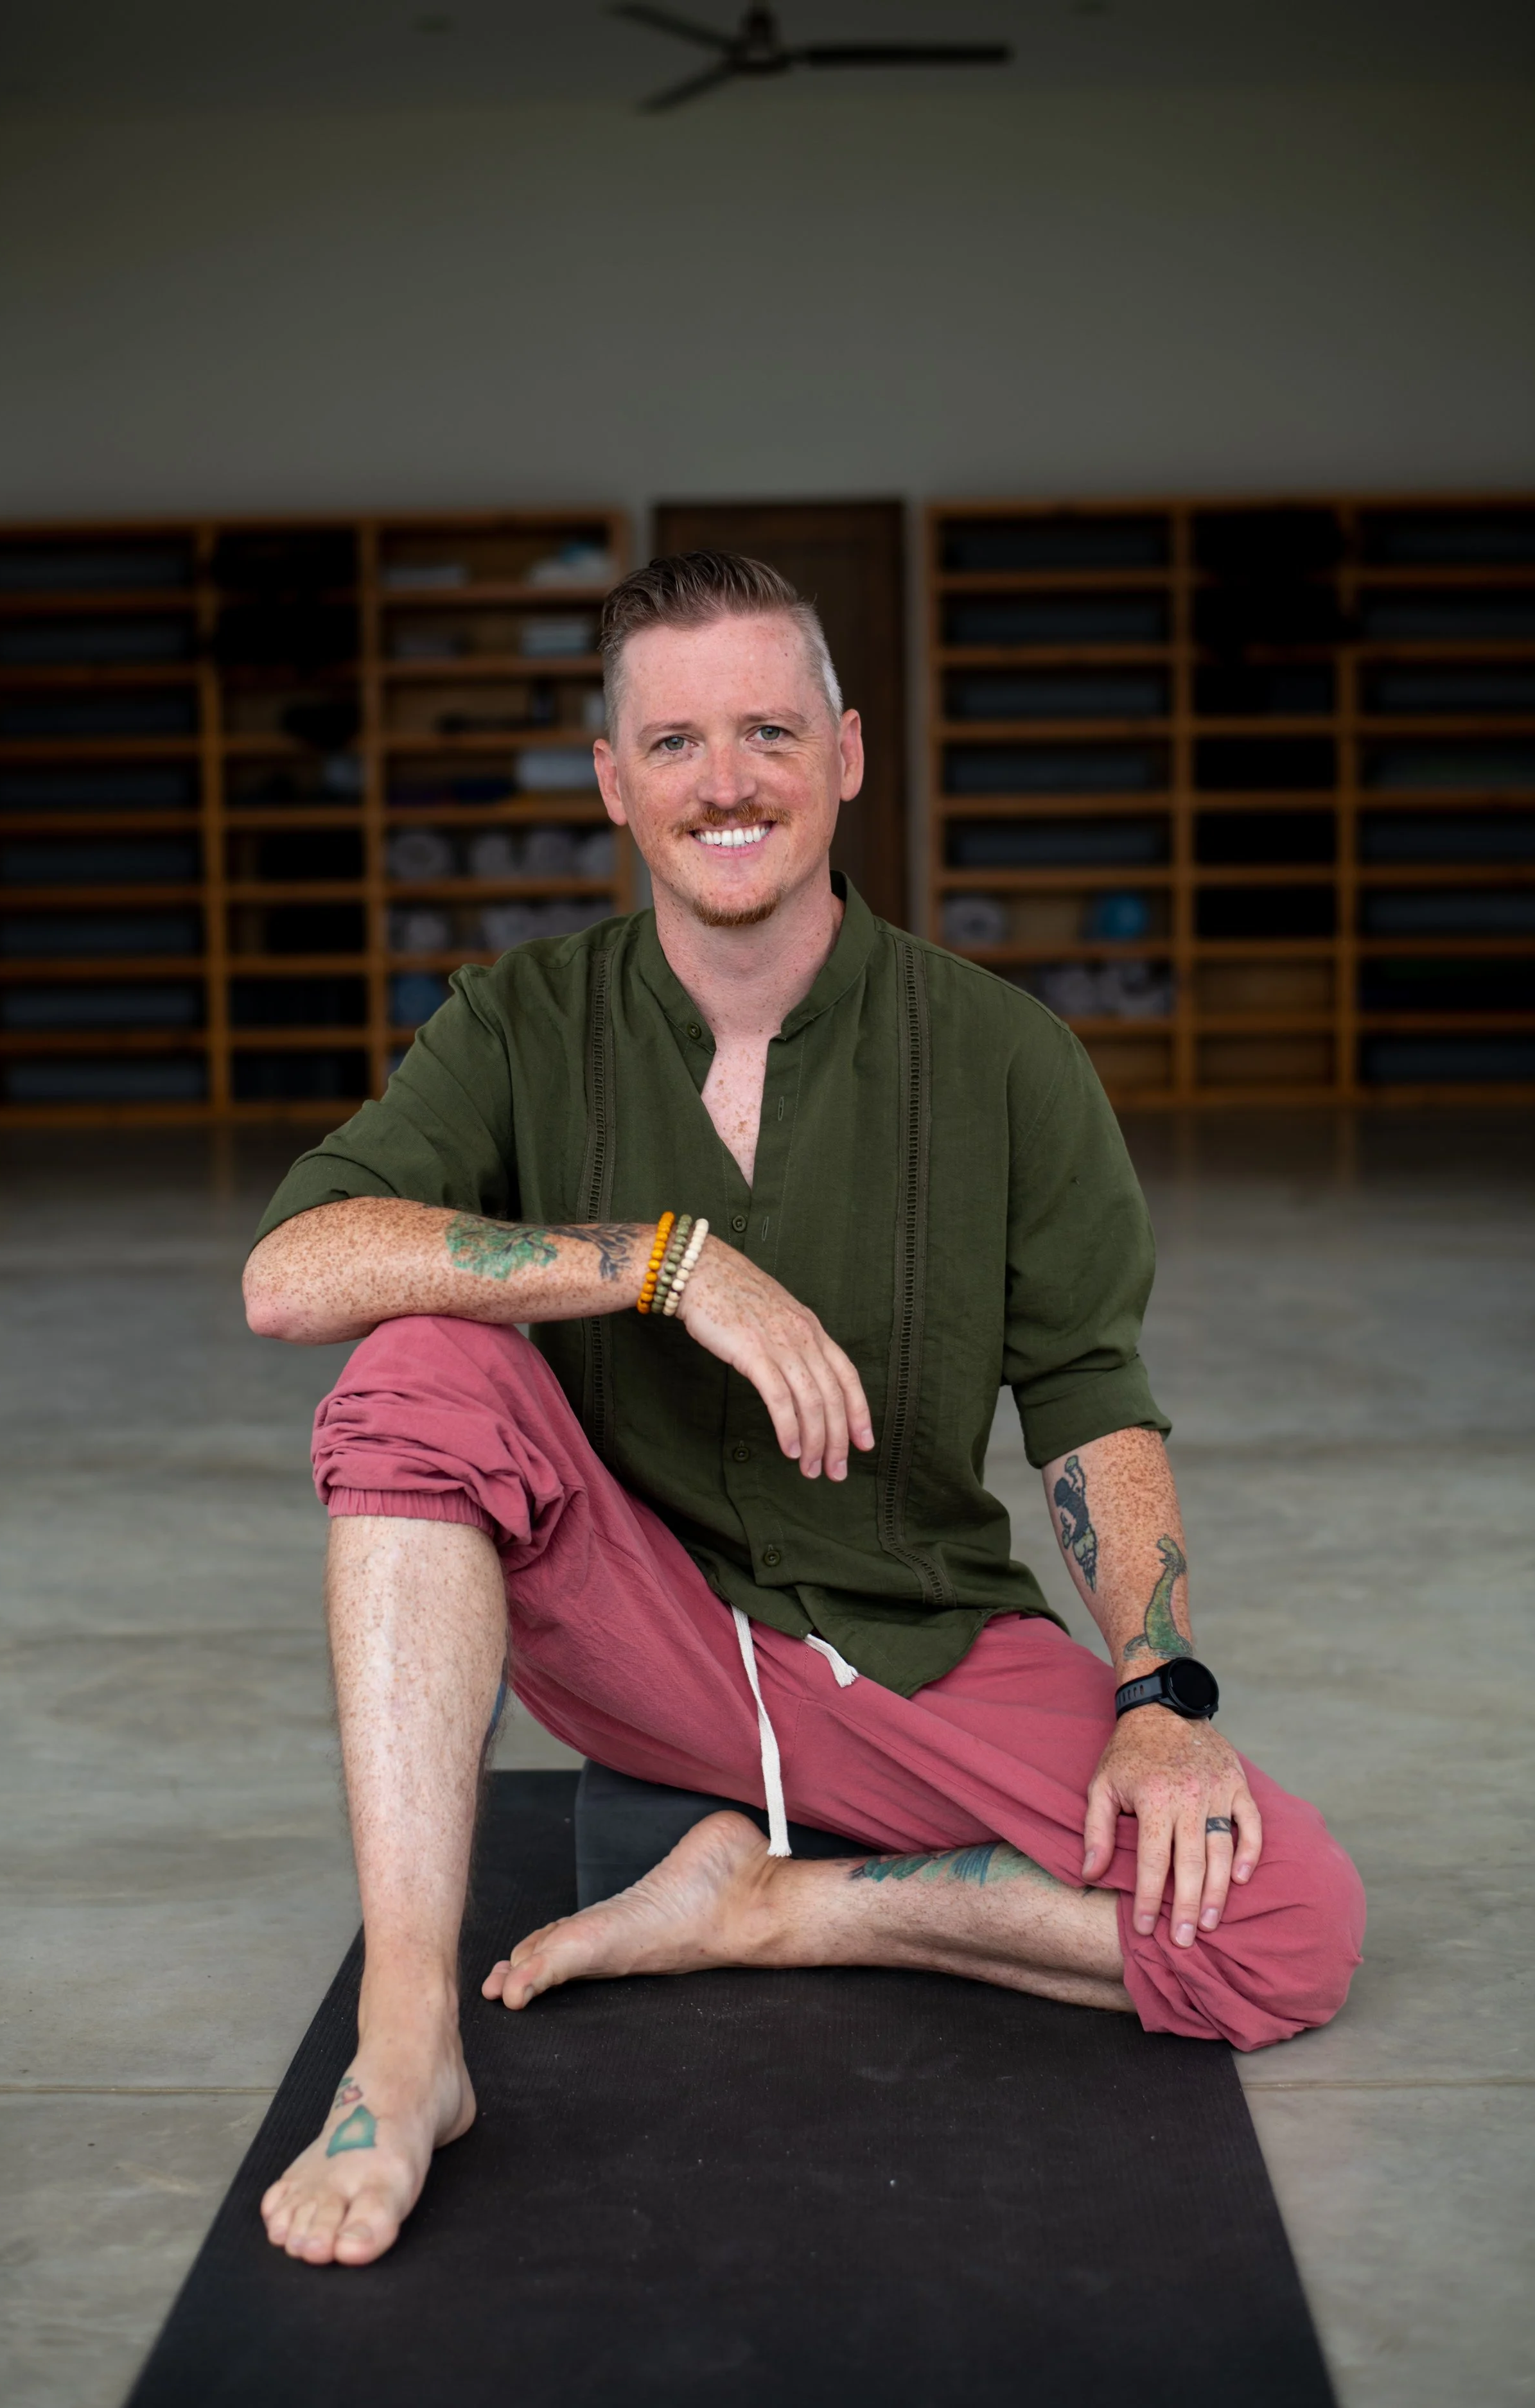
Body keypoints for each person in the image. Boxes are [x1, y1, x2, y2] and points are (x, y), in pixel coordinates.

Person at [242, 552, 1364, 2269]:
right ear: (614, 782)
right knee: (413, 1363)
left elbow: (1086, 1397)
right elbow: (292, 1270)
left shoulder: (1005, 1057)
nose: (727, 783)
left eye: (769, 729)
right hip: (634, 1616)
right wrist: (658, 1259)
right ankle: (405, 2041)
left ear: (846, 753)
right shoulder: (520, 1019)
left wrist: (1157, 1688)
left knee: (1282, 1923)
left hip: (909, 1632)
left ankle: (767, 1903)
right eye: (675, 743)